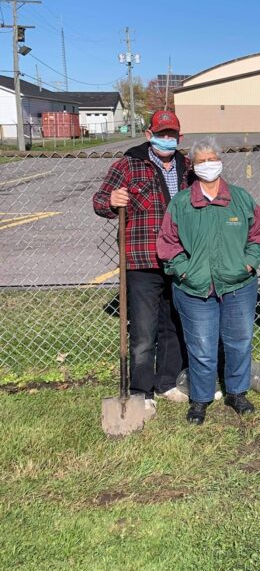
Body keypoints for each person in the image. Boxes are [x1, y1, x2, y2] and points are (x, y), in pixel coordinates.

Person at [156, 137, 260, 424]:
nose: (208, 165)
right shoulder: (182, 203)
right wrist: (184, 271)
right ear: (193, 168)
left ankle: (236, 392)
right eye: (201, 161)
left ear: (220, 162)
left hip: (237, 286)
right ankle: (200, 398)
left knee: (239, 342)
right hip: (194, 289)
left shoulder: (240, 198)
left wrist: (247, 263)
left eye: (212, 159)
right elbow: (168, 243)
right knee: (202, 347)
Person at [92, 110, 192, 416]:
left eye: (171, 134)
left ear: (179, 137)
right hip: (142, 259)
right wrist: (112, 201)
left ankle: (166, 382)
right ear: (148, 134)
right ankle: (141, 391)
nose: (167, 139)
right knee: (144, 331)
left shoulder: (187, 167)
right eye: (161, 133)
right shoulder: (129, 164)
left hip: (179, 259)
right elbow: (99, 200)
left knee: (174, 324)